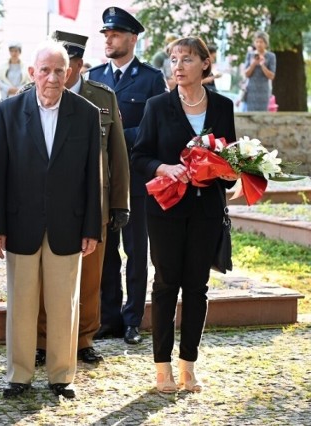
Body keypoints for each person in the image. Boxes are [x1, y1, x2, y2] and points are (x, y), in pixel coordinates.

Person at [0, 41, 101, 400]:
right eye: (45, 70)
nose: (52, 77)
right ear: (32, 73)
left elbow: (91, 176)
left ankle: (61, 375)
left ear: (69, 73)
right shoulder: (7, 112)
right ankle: (18, 375)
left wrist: (92, 228)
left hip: (68, 226)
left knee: (64, 304)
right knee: (21, 303)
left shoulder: (86, 112)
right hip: (20, 225)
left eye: (59, 71)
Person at [131, 36, 237, 393]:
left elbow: (231, 160)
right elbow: (139, 156)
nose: (177, 66)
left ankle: (188, 365)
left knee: (196, 287)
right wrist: (164, 168)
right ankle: (162, 368)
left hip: (207, 211)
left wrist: (227, 172)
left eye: (187, 59)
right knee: (165, 285)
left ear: (205, 64)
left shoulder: (223, 106)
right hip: (166, 210)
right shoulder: (157, 106)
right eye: (174, 59)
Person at [35, 31, 129, 366]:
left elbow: (117, 154)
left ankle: (84, 338)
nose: (63, 72)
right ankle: (44, 341)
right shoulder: (32, 96)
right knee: (45, 278)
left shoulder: (102, 98)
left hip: (93, 204)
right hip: (47, 206)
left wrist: (119, 203)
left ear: (79, 64)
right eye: (56, 65)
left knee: (90, 277)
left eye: (69, 64)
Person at [88, 6, 167, 346]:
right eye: (106, 34)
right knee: (106, 253)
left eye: (116, 34)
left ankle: (133, 318)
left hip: (135, 179)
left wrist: (116, 136)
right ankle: (110, 318)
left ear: (133, 39)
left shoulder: (150, 79)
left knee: (136, 252)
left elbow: (157, 130)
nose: (109, 39)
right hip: (103, 182)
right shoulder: (94, 77)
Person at [243, 31, 276, 112]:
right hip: (251, 90)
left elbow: (271, 76)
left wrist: (262, 64)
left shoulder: (271, 56)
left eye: (261, 42)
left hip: (264, 91)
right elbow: (246, 74)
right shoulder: (250, 55)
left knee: (262, 114)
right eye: (257, 42)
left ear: (265, 43)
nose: (258, 44)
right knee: (250, 114)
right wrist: (253, 63)